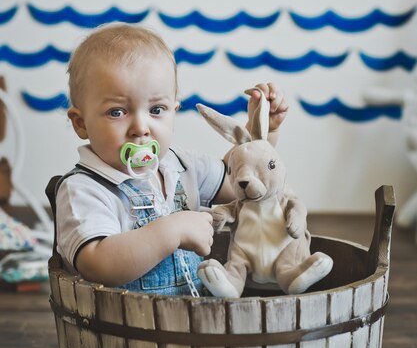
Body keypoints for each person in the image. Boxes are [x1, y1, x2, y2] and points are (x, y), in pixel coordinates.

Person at [55, 24, 288, 295]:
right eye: (117, 112)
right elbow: (97, 263)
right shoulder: (84, 189)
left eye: (156, 109)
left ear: (173, 111)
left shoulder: (180, 165)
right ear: (81, 123)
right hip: (132, 328)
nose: (141, 127)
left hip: (197, 322)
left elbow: (239, 185)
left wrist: (263, 135)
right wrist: (170, 232)